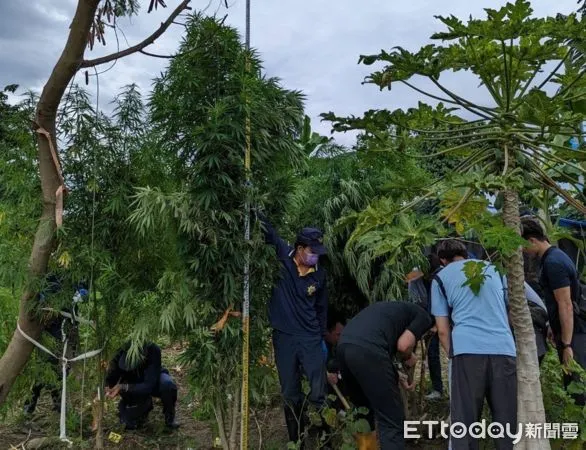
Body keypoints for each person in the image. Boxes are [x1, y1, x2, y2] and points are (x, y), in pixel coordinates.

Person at [431, 239, 517, 450]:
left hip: (467, 352)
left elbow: (442, 330)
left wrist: (452, 357)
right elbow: (510, 313)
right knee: (506, 421)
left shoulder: (440, 278)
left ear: (442, 260)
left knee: (465, 422)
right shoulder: (494, 269)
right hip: (504, 349)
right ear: (466, 253)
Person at [256, 211, 329, 445]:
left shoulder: (320, 275)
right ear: (299, 248)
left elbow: (321, 308)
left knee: (318, 392)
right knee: (290, 391)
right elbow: (268, 230)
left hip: (310, 338)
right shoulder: (283, 257)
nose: (315, 257)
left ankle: (326, 440)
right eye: (311, 252)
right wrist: (253, 207)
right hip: (285, 337)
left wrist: (320, 336)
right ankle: (295, 439)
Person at [337, 301, 433, 449]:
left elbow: (380, 346)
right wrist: (408, 357)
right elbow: (403, 345)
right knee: (391, 420)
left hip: (344, 347)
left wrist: (395, 374)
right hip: (367, 352)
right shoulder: (424, 316)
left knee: (364, 412)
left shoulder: (394, 310)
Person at [521, 218, 586, 405]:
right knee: (572, 381)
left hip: (574, 333)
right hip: (569, 330)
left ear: (532, 240)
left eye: (524, 246)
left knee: (577, 384)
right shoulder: (552, 258)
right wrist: (551, 323)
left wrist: (567, 345)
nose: (524, 252)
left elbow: (565, 304)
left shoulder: (553, 263)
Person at [24, 276, 86, 415]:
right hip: (49, 324)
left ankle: (58, 404)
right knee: (45, 365)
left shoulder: (73, 265)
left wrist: (82, 292)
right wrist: (42, 297)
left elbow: (83, 284)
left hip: (69, 324)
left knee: (65, 366)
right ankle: (31, 402)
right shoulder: (50, 267)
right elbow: (39, 286)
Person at [105, 341, 179, 430]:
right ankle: (142, 408)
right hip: (132, 380)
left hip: (153, 378)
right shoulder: (120, 351)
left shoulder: (152, 349)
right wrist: (108, 386)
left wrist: (123, 387)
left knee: (167, 385)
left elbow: (149, 385)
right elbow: (112, 375)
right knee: (128, 422)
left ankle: (170, 416)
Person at [407, 254, 444, 400]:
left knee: (433, 353)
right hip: (419, 314)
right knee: (410, 351)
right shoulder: (415, 274)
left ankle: (437, 389)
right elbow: (414, 298)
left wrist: (435, 325)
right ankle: (411, 386)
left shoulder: (441, 274)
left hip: (438, 315)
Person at [324, 314, 346, 412]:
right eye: (337, 334)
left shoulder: (333, 346)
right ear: (327, 332)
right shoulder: (320, 347)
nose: (339, 338)